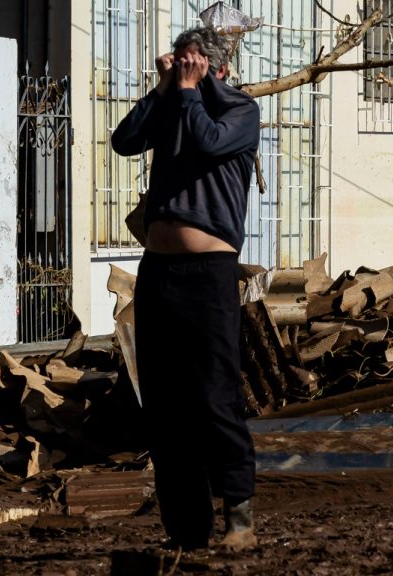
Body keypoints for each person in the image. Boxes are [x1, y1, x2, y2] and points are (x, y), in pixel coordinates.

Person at [110, 26, 260, 552]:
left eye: (196, 64)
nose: (186, 73)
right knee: (166, 402)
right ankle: (186, 527)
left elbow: (210, 140)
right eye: (183, 64)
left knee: (215, 395)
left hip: (209, 275)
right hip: (160, 273)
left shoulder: (240, 111)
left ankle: (239, 515)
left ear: (218, 69)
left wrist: (194, 88)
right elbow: (124, 141)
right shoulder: (174, 103)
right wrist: (162, 88)